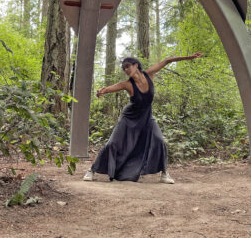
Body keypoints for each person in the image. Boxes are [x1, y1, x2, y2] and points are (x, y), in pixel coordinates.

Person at [83, 53, 202, 184]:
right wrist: (102, 91)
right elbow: (111, 88)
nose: (126, 70)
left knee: (159, 140)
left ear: (136, 65)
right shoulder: (127, 84)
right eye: (124, 68)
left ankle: (164, 173)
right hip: (129, 118)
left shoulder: (149, 74)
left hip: (146, 117)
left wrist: (189, 57)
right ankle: (92, 170)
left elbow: (167, 60)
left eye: (127, 66)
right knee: (112, 143)